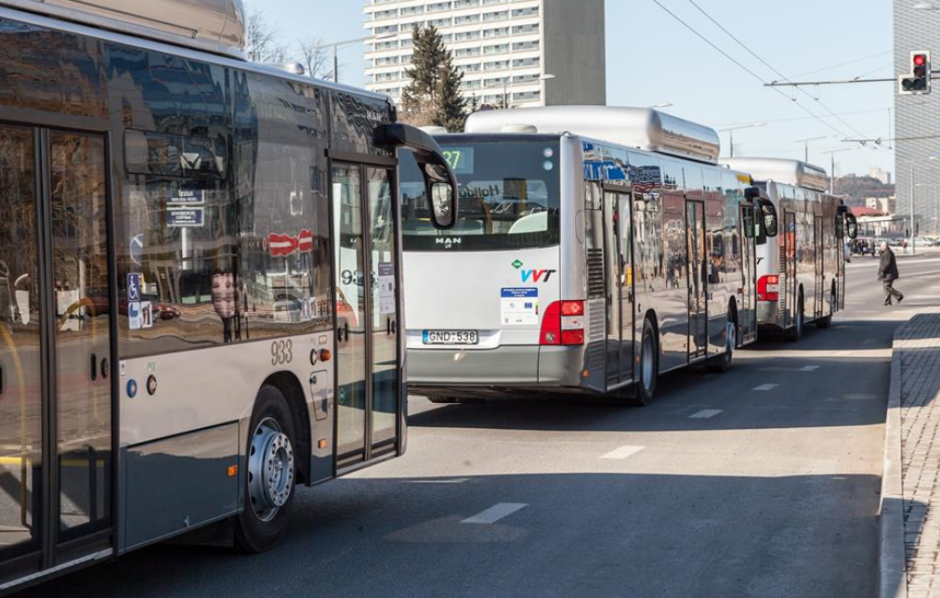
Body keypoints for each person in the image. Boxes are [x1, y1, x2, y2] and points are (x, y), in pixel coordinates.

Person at [878, 241, 904, 306]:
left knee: (887, 286)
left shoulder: (888, 253)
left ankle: (899, 295)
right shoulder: (886, 252)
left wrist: (882, 269)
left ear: (885, 246)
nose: (880, 248)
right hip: (888, 273)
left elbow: (886, 264)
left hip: (889, 273)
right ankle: (887, 301)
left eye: (881, 246)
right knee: (886, 287)